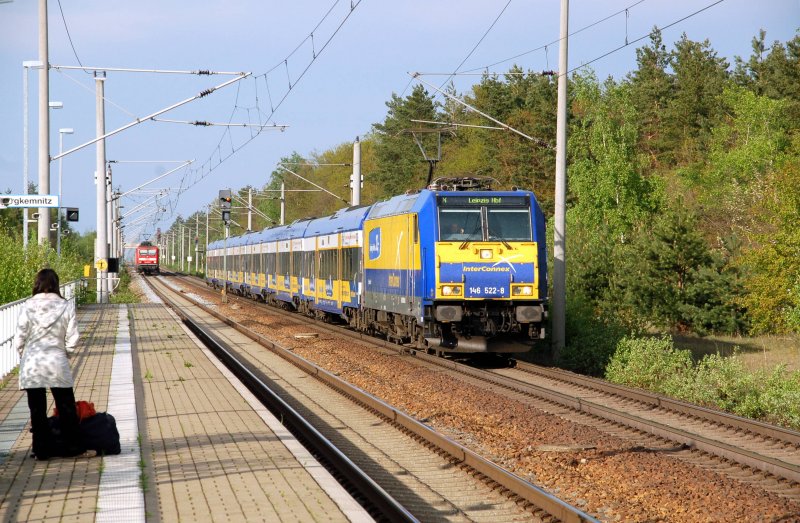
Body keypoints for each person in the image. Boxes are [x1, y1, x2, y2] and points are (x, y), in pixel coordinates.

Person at [13, 268, 90, 460]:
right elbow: (73, 337)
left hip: (33, 362)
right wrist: (66, 354)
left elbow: (19, 338)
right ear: (56, 284)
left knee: (37, 409)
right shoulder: (65, 306)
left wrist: (24, 355)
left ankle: (41, 450)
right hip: (56, 361)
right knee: (66, 406)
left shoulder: (27, 306)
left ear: (37, 284)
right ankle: (72, 448)